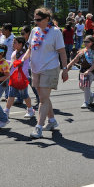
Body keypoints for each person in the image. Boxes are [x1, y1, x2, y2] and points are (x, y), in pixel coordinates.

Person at [21, 7, 68, 139]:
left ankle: (38, 127)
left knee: (42, 99)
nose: (36, 22)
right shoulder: (35, 31)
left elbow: (62, 52)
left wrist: (65, 69)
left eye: (39, 19)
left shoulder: (56, 32)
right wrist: (22, 60)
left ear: (47, 19)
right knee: (44, 97)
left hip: (50, 68)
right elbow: (30, 48)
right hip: (35, 69)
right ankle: (52, 121)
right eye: (34, 19)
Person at [4, 37, 35, 119]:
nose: (13, 44)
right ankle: (6, 111)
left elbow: (22, 63)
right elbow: (12, 63)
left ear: (21, 44)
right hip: (13, 77)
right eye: (13, 42)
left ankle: (30, 110)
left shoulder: (25, 53)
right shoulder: (14, 52)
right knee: (11, 95)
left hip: (22, 77)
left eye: (15, 42)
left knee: (24, 95)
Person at [67, 36, 94, 108]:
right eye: (84, 41)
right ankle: (91, 94)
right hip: (83, 70)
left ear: (92, 43)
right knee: (81, 86)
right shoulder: (82, 51)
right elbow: (75, 60)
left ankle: (86, 102)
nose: (85, 43)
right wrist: (68, 66)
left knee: (86, 86)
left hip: (91, 70)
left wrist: (89, 71)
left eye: (87, 42)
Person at [20, 25, 39, 105]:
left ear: (28, 33)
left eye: (23, 33)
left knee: (33, 83)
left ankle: (40, 97)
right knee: (30, 83)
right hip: (27, 66)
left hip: (34, 65)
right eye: (21, 33)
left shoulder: (33, 42)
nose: (22, 35)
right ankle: (38, 97)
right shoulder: (24, 43)